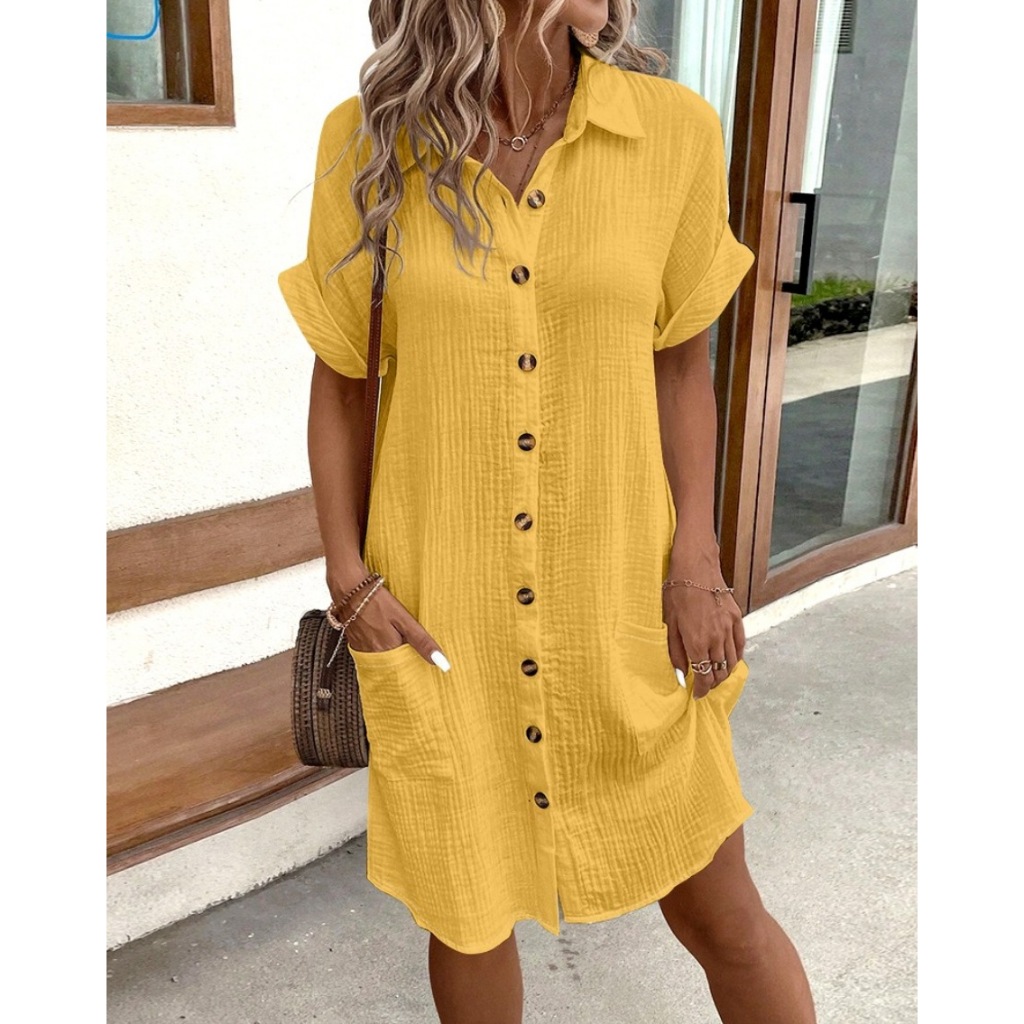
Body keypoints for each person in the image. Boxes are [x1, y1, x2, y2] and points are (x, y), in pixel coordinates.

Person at [279, 2, 817, 1022]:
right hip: (444, 615)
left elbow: (679, 366)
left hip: (620, 603)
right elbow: (343, 379)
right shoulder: (374, 141)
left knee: (720, 909)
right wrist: (348, 578)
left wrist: (697, 563)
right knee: (466, 912)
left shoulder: (672, 132)